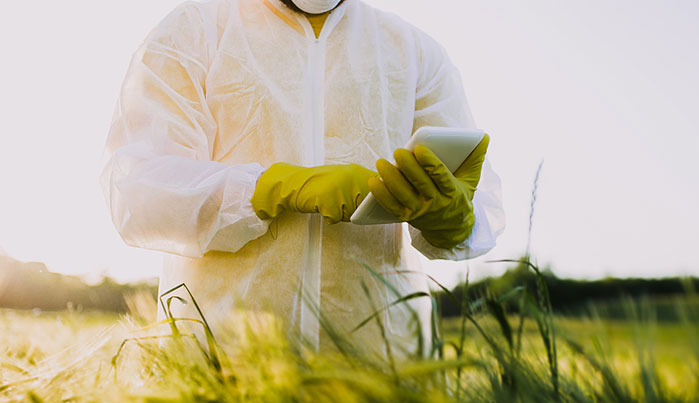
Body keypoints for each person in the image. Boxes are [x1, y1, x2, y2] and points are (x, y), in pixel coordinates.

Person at [101, 0, 505, 357]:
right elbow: (136, 188)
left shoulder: (413, 50)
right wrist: (274, 187)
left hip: (382, 376)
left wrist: (454, 220)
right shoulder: (195, 30)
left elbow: (480, 204)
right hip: (223, 364)